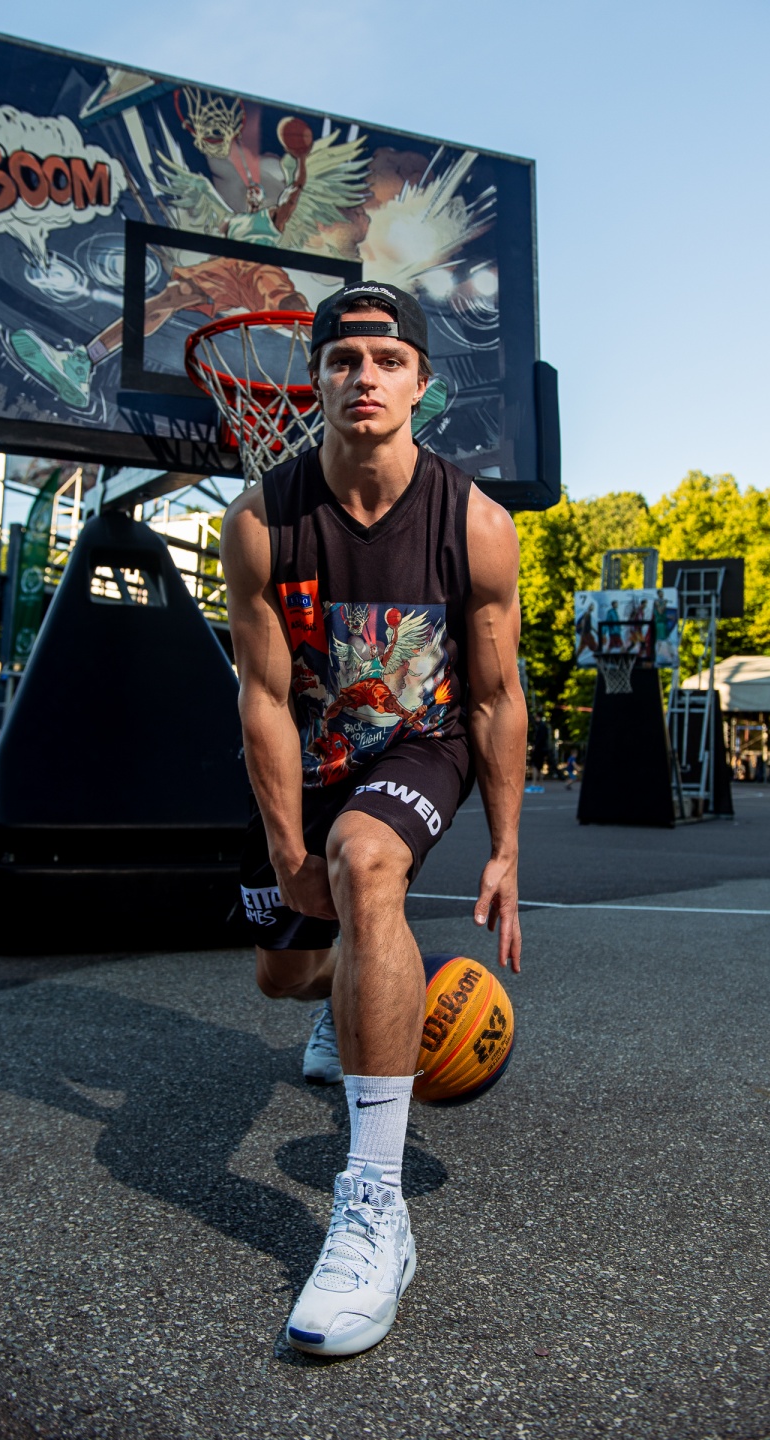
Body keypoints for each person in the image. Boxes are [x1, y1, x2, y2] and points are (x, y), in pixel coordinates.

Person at [220, 281, 526, 1358]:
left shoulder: (474, 524)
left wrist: (507, 848)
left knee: (364, 862)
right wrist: (283, 849)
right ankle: (360, 987)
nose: (365, 377)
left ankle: (372, 1211)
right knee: (283, 975)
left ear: (421, 383)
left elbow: (496, 696)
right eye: (344, 359)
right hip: (309, 757)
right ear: (313, 379)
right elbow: (263, 698)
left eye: (388, 360)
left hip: (417, 746)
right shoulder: (260, 522)